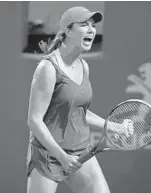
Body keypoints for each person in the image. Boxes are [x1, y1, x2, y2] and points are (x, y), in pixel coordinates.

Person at [26, 6, 133, 193]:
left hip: (80, 151)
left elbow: (78, 111)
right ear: (67, 31)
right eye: (84, 25)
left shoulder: (83, 66)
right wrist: (62, 157)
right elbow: (34, 120)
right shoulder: (48, 69)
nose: (91, 29)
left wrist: (114, 126)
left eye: (93, 25)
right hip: (47, 154)